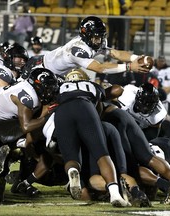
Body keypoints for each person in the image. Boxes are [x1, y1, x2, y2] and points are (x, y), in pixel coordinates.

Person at [52, 69, 131, 207]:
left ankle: (72, 171)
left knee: (71, 158)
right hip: (85, 107)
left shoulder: (58, 88)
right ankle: (115, 194)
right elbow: (100, 109)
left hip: (62, 112)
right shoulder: (92, 86)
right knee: (101, 154)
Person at [39, 16, 149, 78]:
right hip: (42, 69)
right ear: (86, 35)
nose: (99, 40)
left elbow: (116, 53)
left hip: (58, 74)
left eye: (101, 36)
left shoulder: (94, 42)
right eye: (96, 36)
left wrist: (136, 58)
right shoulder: (77, 50)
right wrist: (129, 67)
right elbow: (100, 68)